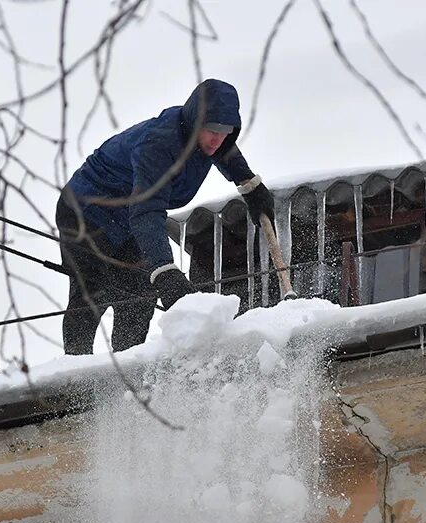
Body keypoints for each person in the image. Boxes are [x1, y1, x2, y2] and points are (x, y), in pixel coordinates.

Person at [56, 79, 276, 355]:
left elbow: (227, 154)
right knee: (92, 289)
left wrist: (251, 187)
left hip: (127, 219)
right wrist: (165, 270)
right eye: (211, 130)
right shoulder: (160, 144)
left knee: (141, 292)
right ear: (195, 121)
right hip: (85, 211)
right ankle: (75, 371)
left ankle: (126, 368)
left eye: (225, 131)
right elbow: (147, 211)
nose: (216, 139)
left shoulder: (213, 141)